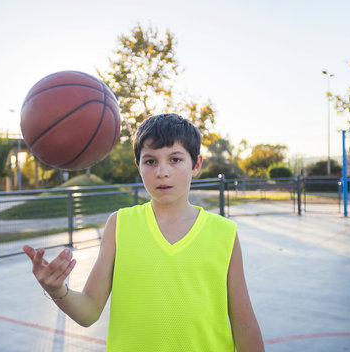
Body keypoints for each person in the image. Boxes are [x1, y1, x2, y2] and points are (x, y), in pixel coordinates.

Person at [23, 113, 264, 351]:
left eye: (175, 159)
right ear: (138, 166)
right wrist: (57, 291)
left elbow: (244, 326)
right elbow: (88, 311)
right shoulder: (120, 224)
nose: (162, 172)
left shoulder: (224, 233)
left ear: (196, 164)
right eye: (150, 161)